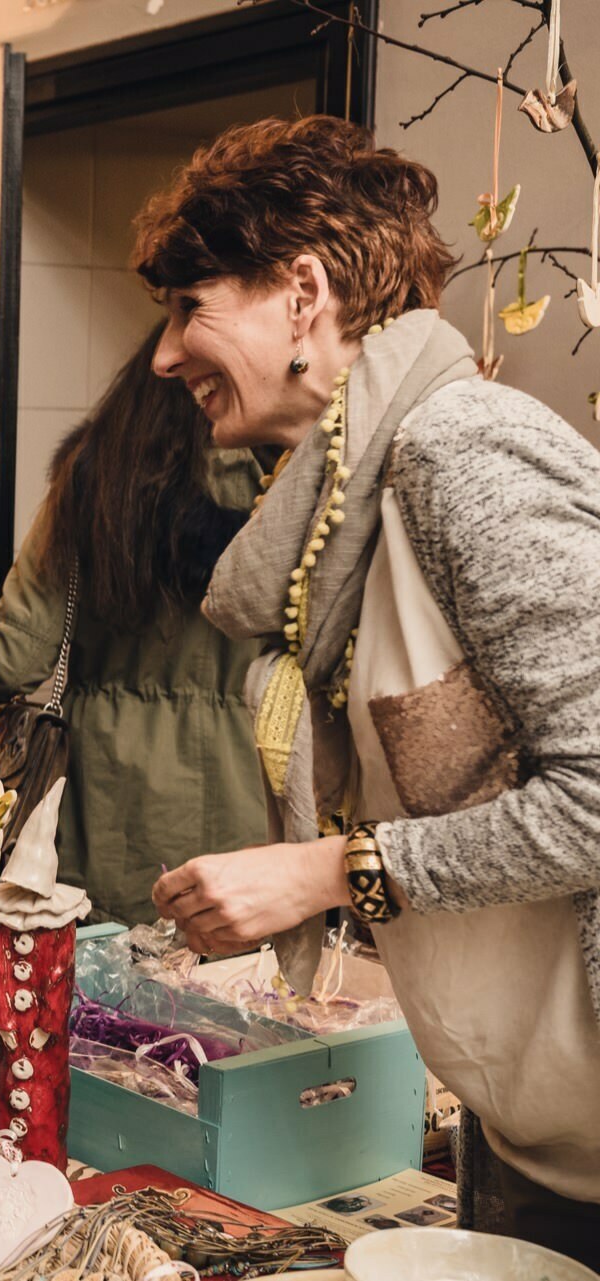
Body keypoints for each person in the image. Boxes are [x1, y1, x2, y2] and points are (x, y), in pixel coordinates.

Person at [137, 115, 600, 1257]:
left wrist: (332, 869)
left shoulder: (461, 450)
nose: (162, 356)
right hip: (527, 1135)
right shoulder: (342, 511)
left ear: (303, 295)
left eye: (190, 306)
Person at [0, 324, 270, 924]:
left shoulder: (98, 480)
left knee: (108, 1003)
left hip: (111, 815)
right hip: (252, 804)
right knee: (235, 1001)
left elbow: (13, 658)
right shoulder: (288, 483)